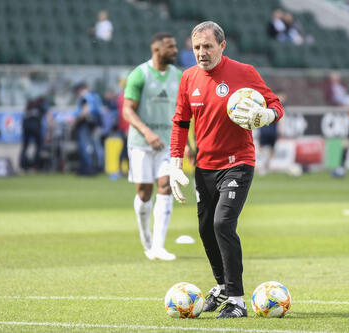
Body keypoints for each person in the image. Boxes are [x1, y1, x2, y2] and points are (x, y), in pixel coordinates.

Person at [169, 21, 284, 318]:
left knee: (223, 224)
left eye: (207, 46)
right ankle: (221, 286)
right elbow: (181, 122)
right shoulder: (188, 78)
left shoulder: (244, 72)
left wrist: (266, 114)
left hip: (238, 162)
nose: (201, 52)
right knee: (206, 230)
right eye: (196, 47)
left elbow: (276, 104)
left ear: (222, 46)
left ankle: (237, 300)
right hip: (204, 166)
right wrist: (174, 163)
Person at [122, 32, 181, 261]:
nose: (175, 50)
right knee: (144, 193)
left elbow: (181, 113)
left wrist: (185, 143)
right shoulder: (140, 74)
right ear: (156, 49)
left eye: (175, 46)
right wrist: (147, 132)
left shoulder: (179, 76)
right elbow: (127, 110)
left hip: (168, 144)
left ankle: (159, 246)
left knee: (166, 186)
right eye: (170, 46)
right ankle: (146, 237)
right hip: (141, 144)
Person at [73, 82, 103, 176]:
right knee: (93, 146)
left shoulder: (85, 97)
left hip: (84, 124)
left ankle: (88, 168)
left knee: (85, 146)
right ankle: (96, 166)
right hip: (93, 124)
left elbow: (85, 111)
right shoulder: (95, 96)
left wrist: (76, 120)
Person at [19, 96, 51, 171]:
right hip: (35, 126)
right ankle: (35, 165)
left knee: (25, 146)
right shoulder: (41, 105)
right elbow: (49, 117)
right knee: (39, 146)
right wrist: (49, 132)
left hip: (25, 126)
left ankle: (23, 165)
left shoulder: (30, 105)